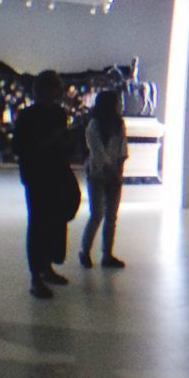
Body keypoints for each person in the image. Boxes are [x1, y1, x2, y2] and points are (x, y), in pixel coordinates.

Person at [12, 70, 79, 298]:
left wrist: (68, 143)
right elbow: (19, 148)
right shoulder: (27, 116)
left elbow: (62, 145)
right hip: (37, 177)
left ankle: (47, 267)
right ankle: (35, 276)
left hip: (56, 174)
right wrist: (49, 142)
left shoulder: (59, 113)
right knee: (39, 224)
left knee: (55, 222)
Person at [79, 90, 128, 269]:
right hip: (97, 174)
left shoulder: (119, 124)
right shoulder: (94, 125)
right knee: (98, 213)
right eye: (117, 102)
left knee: (111, 216)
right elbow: (97, 151)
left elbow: (122, 150)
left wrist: (118, 172)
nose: (120, 105)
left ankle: (107, 254)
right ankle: (85, 251)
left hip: (113, 174)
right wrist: (113, 172)